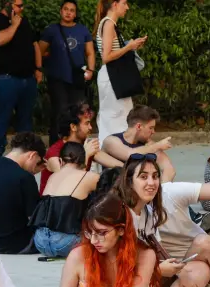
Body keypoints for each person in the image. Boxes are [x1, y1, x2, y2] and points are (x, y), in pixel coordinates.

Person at [114, 154, 210, 287]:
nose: (151, 183)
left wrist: (180, 273)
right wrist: (158, 271)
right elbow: (116, 266)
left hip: (147, 274)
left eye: (155, 177)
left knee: (199, 268)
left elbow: (157, 250)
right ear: (129, 181)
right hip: (122, 280)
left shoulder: (148, 211)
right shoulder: (120, 214)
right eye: (143, 177)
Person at [0, 131, 47, 255]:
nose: (35, 167)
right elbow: (36, 217)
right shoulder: (24, 177)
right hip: (13, 244)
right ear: (32, 155)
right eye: (37, 162)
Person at [0, 0, 43, 157]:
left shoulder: (25, 22)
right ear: (7, 4)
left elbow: (35, 45)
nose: (21, 8)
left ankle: (24, 151)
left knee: (25, 118)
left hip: (28, 78)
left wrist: (38, 68)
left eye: (22, 5)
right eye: (18, 5)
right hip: (7, 78)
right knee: (2, 115)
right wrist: (14, 25)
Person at [38, 0, 96, 145]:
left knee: (79, 111)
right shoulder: (52, 30)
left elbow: (90, 52)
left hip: (77, 79)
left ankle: (76, 144)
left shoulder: (82, 30)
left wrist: (90, 69)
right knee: (60, 111)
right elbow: (39, 50)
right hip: (57, 78)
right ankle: (56, 146)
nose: (68, 12)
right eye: (66, 9)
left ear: (75, 14)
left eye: (72, 10)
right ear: (61, 11)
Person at [31, 142, 100, 258]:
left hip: (40, 241)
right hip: (65, 243)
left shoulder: (53, 176)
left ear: (60, 161)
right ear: (83, 161)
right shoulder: (89, 177)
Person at [94, 0, 147, 146]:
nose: (127, 7)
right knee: (114, 117)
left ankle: (118, 152)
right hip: (112, 76)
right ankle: (111, 153)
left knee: (122, 116)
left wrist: (131, 46)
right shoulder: (109, 23)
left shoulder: (110, 24)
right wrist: (128, 47)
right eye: (124, 3)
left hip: (115, 76)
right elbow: (106, 57)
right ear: (115, 4)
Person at [40, 103, 119, 193]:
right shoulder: (54, 154)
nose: (90, 127)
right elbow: (72, 183)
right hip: (56, 204)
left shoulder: (85, 145)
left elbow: (116, 164)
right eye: (87, 123)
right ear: (73, 127)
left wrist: (133, 168)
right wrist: (85, 154)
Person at [103, 106, 176, 182]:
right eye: (150, 128)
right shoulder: (111, 141)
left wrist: (161, 191)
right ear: (139, 126)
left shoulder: (150, 144)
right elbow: (129, 154)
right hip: (111, 190)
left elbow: (169, 170)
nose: (153, 132)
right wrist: (157, 145)